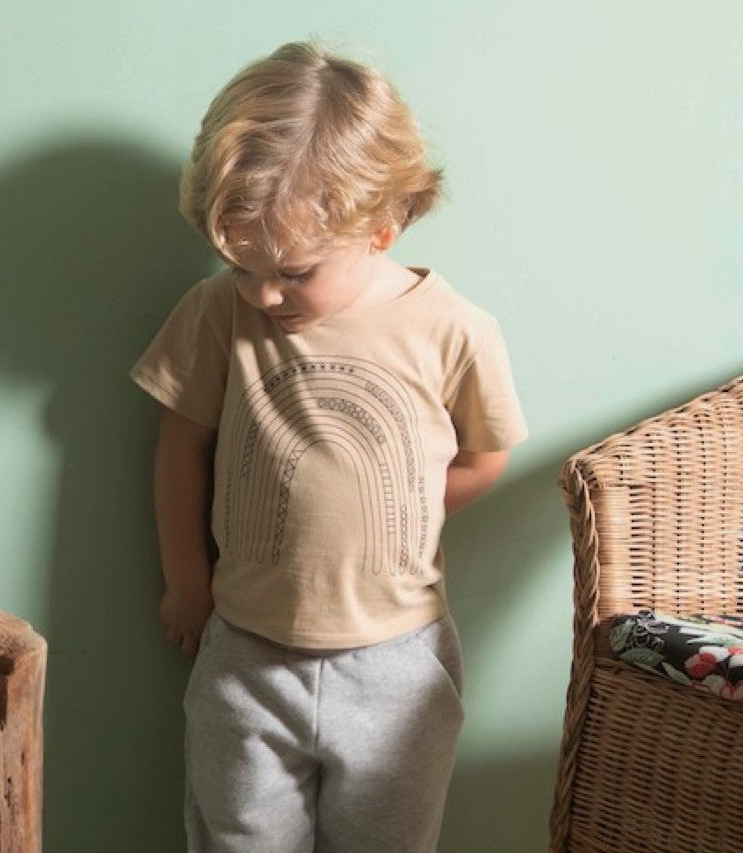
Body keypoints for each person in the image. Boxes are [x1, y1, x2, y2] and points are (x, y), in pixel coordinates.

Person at [131, 40, 528, 853]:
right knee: (235, 836)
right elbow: (181, 444)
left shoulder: (454, 329)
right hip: (245, 650)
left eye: (294, 271)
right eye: (242, 268)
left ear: (380, 228)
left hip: (397, 663)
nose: (264, 293)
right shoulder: (217, 313)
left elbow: (486, 456)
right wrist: (185, 580)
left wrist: (399, 508)